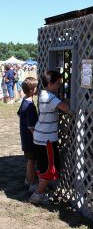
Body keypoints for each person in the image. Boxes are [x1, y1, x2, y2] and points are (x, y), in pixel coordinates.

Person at [30, 70, 70, 205]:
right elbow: (66, 108)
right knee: (49, 168)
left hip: (40, 137)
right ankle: (38, 194)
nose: (59, 86)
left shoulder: (43, 94)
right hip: (46, 139)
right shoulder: (50, 98)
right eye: (58, 84)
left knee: (43, 166)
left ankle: (37, 189)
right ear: (50, 83)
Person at [17, 77, 38, 192]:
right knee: (31, 160)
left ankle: (27, 179)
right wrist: (37, 137)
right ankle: (33, 184)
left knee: (29, 159)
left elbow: (19, 114)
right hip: (30, 138)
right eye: (36, 87)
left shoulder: (25, 100)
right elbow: (31, 126)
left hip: (24, 136)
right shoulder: (30, 106)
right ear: (32, 90)